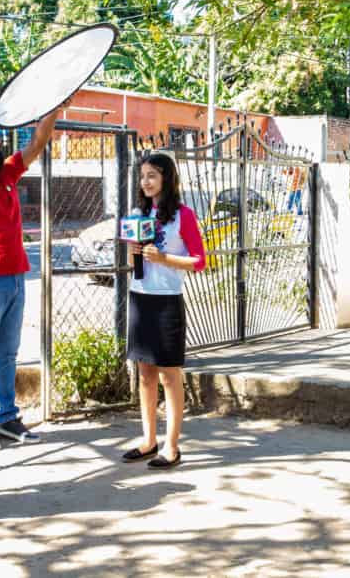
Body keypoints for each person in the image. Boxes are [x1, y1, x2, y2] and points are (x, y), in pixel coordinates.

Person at [0, 101, 68, 450]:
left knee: (8, 354)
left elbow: (36, 144)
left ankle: (7, 418)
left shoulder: (6, 173)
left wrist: (53, 108)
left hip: (16, 276)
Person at [121, 153, 206, 469]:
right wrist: (134, 254)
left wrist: (164, 259)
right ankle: (148, 440)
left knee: (170, 375)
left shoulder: (183, 215)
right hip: (140, 296)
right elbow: (136, 263)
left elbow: (200, 261)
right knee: (144, 374)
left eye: (153, 175)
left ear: (167, 179)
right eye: (142, 175)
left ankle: (171, 446)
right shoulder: (136, 213)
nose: (146, 181)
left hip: (167, 299)